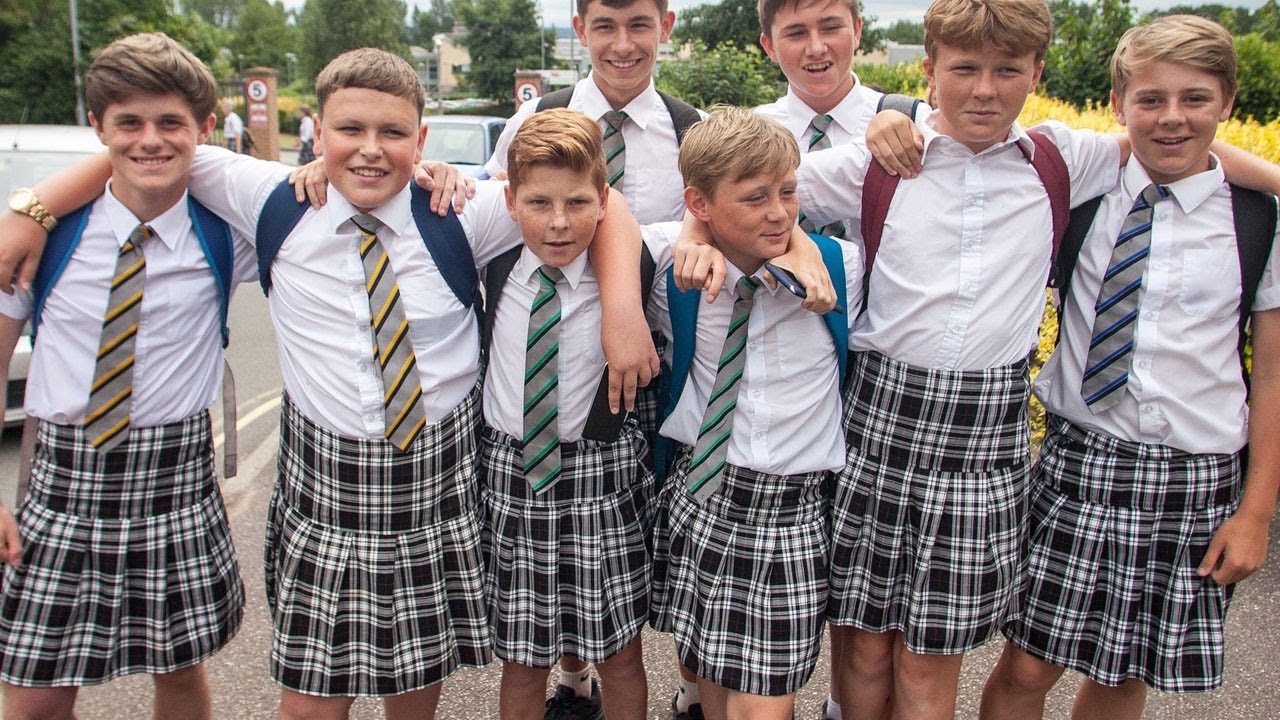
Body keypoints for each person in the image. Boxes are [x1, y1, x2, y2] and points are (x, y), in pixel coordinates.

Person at [979, 15, 1280, 720]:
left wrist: (1257, 513)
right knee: (1028, 663)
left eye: (1195, 99)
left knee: (1124, 672)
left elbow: (1270, 375)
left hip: (1195, 475)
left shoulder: (1257, 220)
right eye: (1150, 99)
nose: (1171, 118)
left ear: (1228, 102)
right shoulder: (1082, 194)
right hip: (1081, 460)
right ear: (1120, 105)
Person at [0, 32, 254, 720]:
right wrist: (31, 210)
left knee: (179, 673)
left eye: (170, 122)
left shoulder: (227, 233)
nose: (150, 140)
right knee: (34, 696)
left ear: (203, 129)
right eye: (129, 123)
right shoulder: (46, 237)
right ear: (98, 128)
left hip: (175, 488)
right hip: (62, 490)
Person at [650, 106, 861, 720]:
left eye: (788, 193)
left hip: (790, 508)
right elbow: (600, 219)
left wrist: (800, 244)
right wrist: (692, 236)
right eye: (754, 199)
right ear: (700, 203)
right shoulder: (671, 270)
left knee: (765, 704)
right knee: (712, 676)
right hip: (704, 493)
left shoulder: (842, 267)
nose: (778, 211)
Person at [753, 1, 922, 715]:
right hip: (782, 378)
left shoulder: (911, 121)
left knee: (865, 582)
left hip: (877, 374)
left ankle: (845, 707)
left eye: (831, 26)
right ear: (768, 45)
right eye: (795, 31)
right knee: (773, 562)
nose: (816, 47)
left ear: (860, 29)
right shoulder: (750, 130)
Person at [479, 108, 652, 720]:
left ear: (605, 199)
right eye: (539, 203)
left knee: (621, 651)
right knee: (523, 659)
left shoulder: (633, 269)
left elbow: (709, 230)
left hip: (601, 479)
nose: (558, 223)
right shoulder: (491, 266)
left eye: (578, 203)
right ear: (509, 200)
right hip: (513, 474)